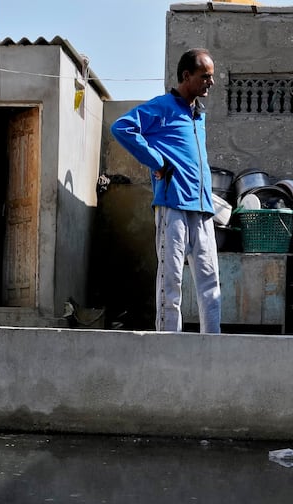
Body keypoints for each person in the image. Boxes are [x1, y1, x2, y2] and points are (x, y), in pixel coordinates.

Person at [110, 50, 220, 333]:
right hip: (173, 206)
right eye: (205, 76)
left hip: (204, 210)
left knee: (211, 286)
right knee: (171, 282)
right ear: (187, 76)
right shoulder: (161, 107)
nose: (211, 82)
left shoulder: (198, 115)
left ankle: (215, 346)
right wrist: (157, 162)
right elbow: (121, 127)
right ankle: (168, 343)